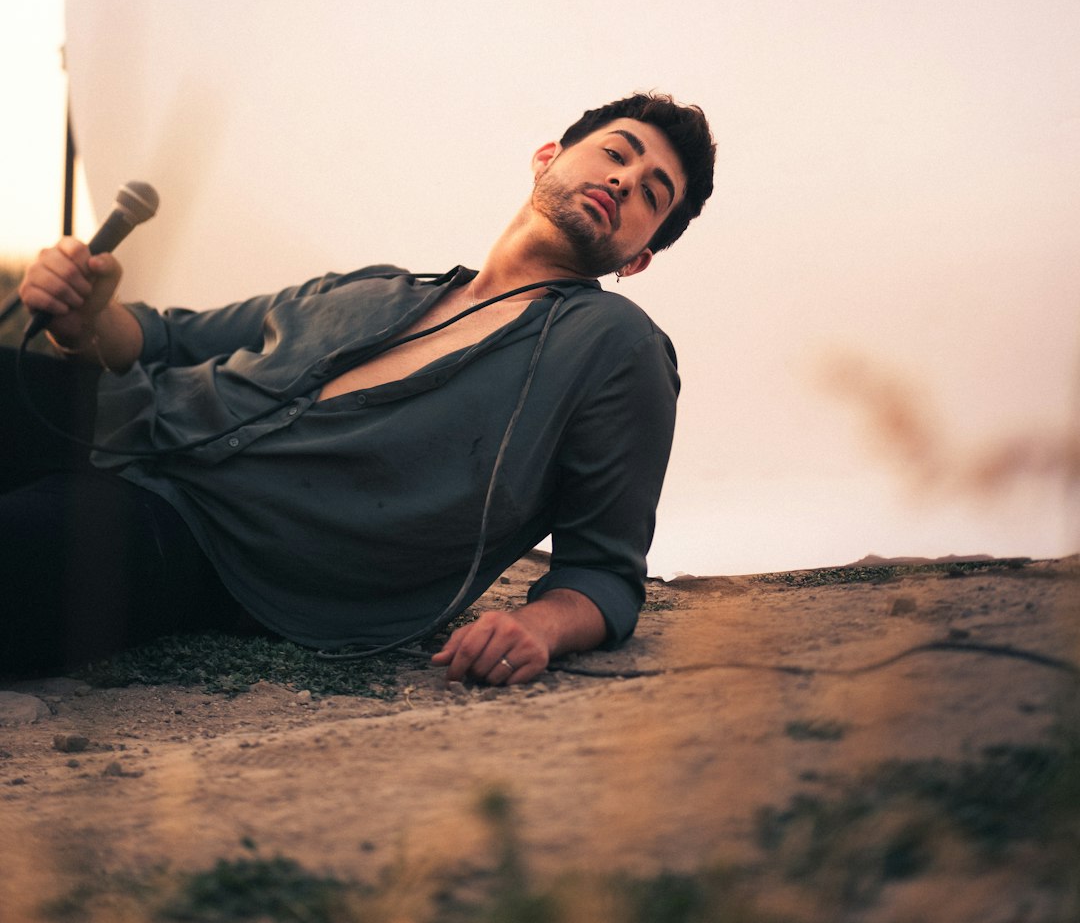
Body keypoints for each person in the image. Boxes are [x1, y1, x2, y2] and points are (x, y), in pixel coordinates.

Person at [4, 93, 714, 685]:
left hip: (202, 539)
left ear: (639, 257)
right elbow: (165, 339)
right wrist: (87, 313)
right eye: (617, 153)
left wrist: (539, 626)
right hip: (106, 416)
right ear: (548, 157)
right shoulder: (372, 285)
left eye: (653, 193)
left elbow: (603, 571)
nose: (626, 180)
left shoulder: (617, 347)